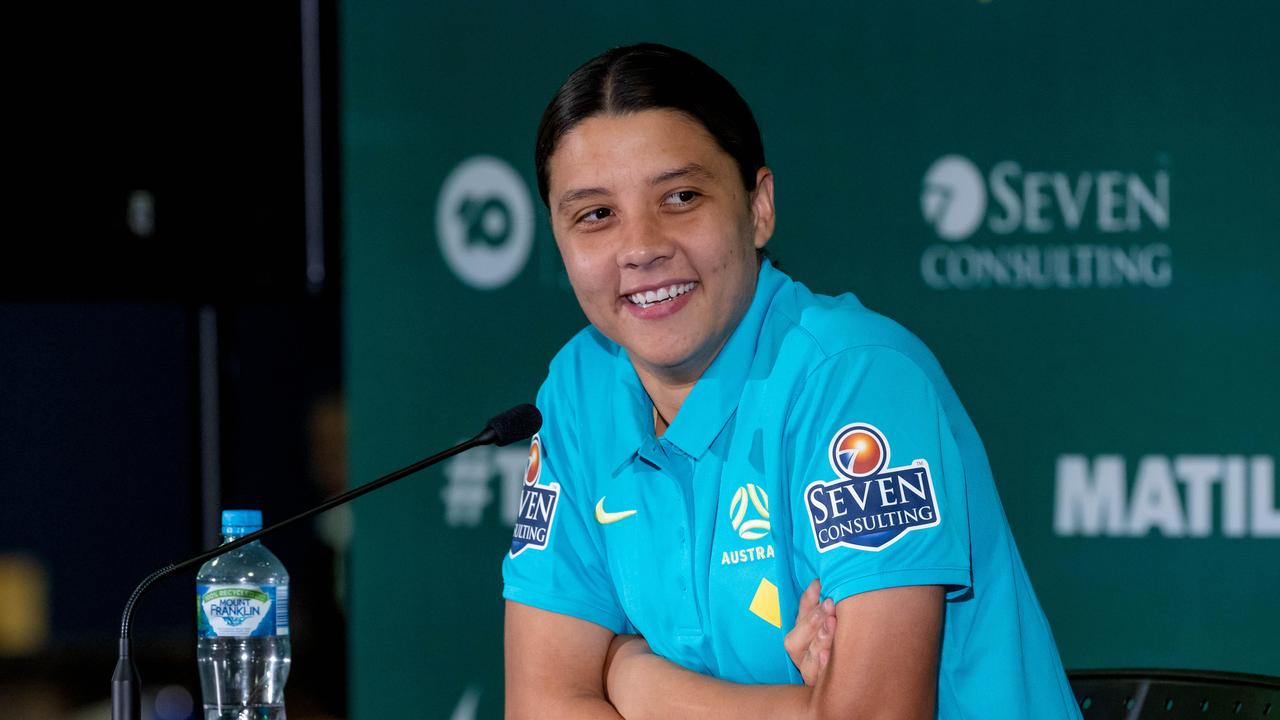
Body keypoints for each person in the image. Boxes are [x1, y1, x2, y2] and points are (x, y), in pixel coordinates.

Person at [502, 43, 1081, 719]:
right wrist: (795, 711)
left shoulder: (853, 377)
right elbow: (544, 703)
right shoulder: (579, 388)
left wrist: (634, 680)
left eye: (681, 197)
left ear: (759, 207)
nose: (642, 247)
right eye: (595, 215)